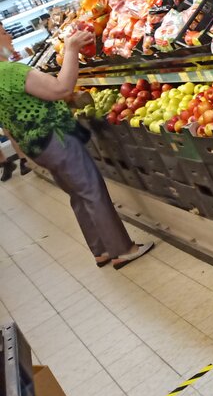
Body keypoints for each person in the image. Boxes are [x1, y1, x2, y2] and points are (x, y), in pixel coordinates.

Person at [0, 26, 152, 269]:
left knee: (78, 195)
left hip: (36, 145)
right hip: (55, 137)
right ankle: (123, 250)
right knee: (91, 189)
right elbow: (60, 89)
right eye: (3, 32)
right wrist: (71, 48)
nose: (9, 36)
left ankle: (100, 249)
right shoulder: (8, 71)